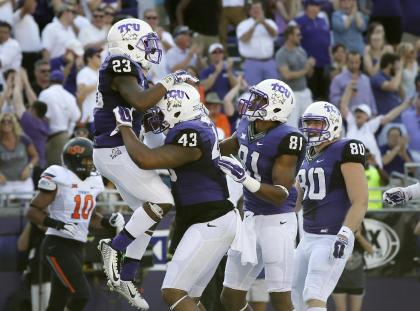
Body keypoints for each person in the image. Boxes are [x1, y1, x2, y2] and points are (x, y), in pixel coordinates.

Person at [93, 18, 198, 308]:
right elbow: (139, 101)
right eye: (145, 43)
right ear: (128, 44)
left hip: (116, 149)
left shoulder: (132, 69)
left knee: (147, 213)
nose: (150, 50)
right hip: (114, 148)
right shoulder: (118, 63)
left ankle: (126, 276)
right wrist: (170, 80)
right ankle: (113, 248)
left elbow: (142, 106)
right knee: (163, 200)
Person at [112, 82, 239, 311]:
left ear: (177, 107)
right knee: (191, 297)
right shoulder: (195, 126)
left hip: (210, 218)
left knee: (173, 293)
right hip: (205, 217)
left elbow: (147, 159)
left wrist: (124, 127)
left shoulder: (190, 132)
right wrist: (148, 127)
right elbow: (155, 146)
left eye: (161, 109)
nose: (157, 116)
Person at [218, 79, 305, 311]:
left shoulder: (288, 137)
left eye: (259, 99)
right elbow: (226, 146)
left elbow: (280, 194)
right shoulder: (248, 123)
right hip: (250, 218)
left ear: (276, 107)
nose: (252, 102)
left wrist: (244, 179)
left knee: (280, 300)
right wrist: (198, 149)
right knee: (230, 297)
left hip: (278, 221)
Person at [26, 137, 124, 311]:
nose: (90, 164)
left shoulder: (93, 181)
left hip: (78, 247)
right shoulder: (60, 177)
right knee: (82, 294)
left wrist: (108, 222)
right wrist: (58, 224)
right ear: (74, 159)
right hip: (57, 245)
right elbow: (32, 211)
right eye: (87, 160)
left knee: (57, 302)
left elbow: (90, 216)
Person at [292, 101, 368, 311]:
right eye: (308, 123)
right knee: (295, 299)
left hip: (332, 236)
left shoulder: (345, 148)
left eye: (318, 123)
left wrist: (345, 234)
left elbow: (361, 200)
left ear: (333, 124)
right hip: (307, 237)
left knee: (313, 295)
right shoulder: (307, 154)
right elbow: (295, 202)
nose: (312, 128)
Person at [276, 24, 315, 128]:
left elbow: (309, 74)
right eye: (297, 35)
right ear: (290, 36)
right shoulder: (281, 54)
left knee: (311, 124)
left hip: (305, 92)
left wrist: (310, 66)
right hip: (291, 94)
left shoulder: (301, 51)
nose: (300, 37)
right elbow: (287, 75)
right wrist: (305, 70)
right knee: (291, 126)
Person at [332, 224, 374, 311]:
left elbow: (371, 251)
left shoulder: (361, 238)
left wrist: (359, 236)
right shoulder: (338, 236)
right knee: (340, 309)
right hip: (339, 281)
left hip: (356, 282)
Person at [236, 1, 278, 86]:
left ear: (263, 10)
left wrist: (264, 23)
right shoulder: (243, 24)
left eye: (258, 8)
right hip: (252, 63)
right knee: (253, 92)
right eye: (254, 8)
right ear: (249, 11)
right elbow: (244, 39)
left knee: (272, 91)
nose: (256, 10)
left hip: (269, 61)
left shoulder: (269, 22)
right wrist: (255, 24)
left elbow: (274, 34)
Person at [0, 112, 38, 201]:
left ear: (14, 124)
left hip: (24, 182)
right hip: (4, 183)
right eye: (3, 121)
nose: (6, 124)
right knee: (5, 212)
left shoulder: (23, 139)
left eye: (9, 121)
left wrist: (29, 167)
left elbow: (35, 156)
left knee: (25, 210)